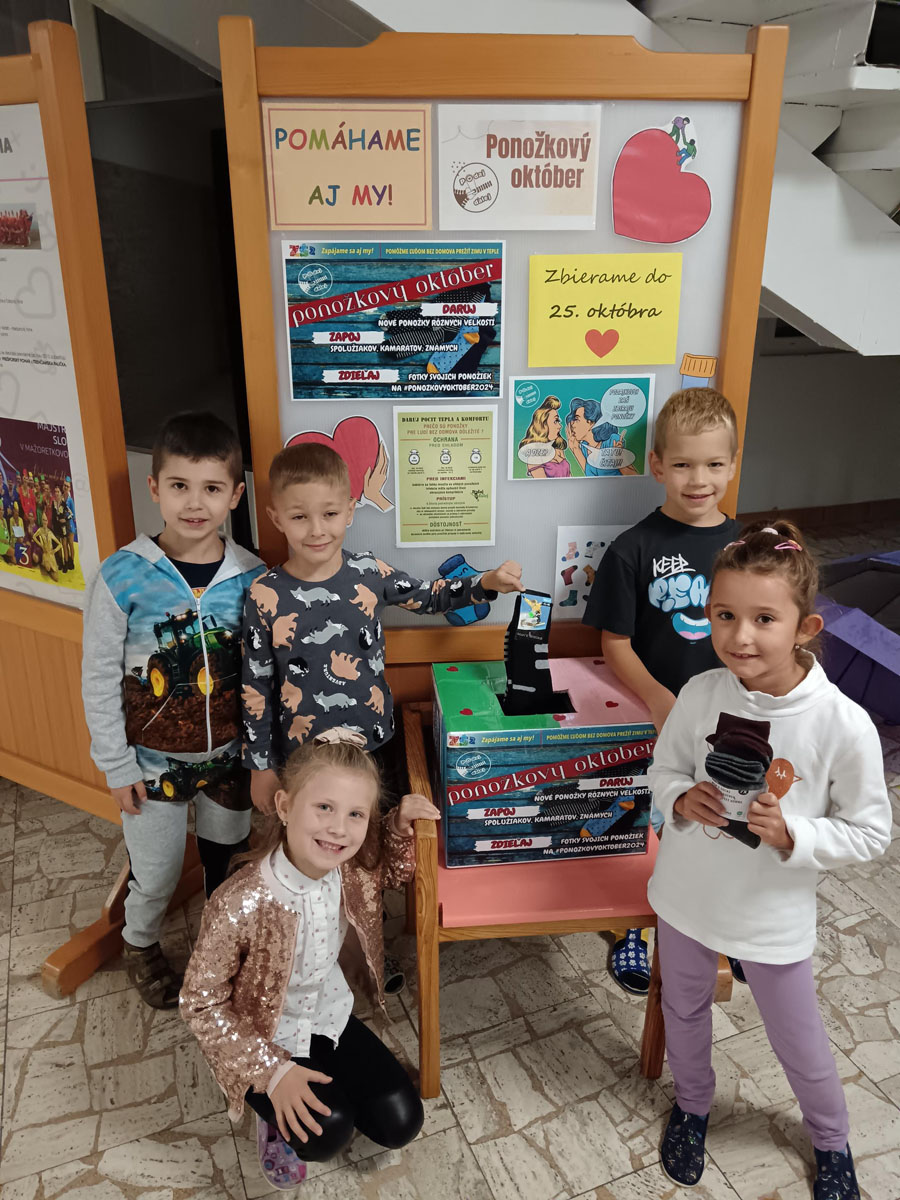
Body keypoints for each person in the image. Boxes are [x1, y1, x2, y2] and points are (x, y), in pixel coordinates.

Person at [647, 521, 890, 1197]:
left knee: (796, 1037)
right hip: (687, 896)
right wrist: (680, 797)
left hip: (770, 915)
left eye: (763, 619)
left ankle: (831, 1139)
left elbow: (871, 834)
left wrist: (795, 835)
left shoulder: (842, 724)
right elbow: (663, 770)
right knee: (684, 1010)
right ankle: (692, 1105)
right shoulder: (700, 693)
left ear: (805, 627)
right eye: (724, 615)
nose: (739, 636)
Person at [180, 738, 434, 1190]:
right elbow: (200, 1003)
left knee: (401, 1121)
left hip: (326, 1017)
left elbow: (390, 873)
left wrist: (397, 828)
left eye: (355, 814)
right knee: (327, 1130)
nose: (338, 829)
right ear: (284, 806)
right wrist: (271, 1072)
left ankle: (336, 1090)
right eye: (324, 807)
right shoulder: (239, 901)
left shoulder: (350, 867)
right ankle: (271, 1120)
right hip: (263, 1036)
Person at [82, 412, 264, 1009]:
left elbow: (262, 673)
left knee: (227, 861)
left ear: (234, 495)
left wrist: (263, 756)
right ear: (155, 487)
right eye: (180, 485)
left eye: (211, 488)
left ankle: (223, 943)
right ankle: (139, 942)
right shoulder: (122, 576)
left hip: (231, 761)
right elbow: (99, 678)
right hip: (150, 767)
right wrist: (116, 765)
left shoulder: (253, 576)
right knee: (156, 871)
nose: (195, 503)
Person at [243, 442, 524, 816]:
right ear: (276, 518)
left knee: (377, 833)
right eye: (299, 517)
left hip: (372, 742)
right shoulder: (263, 594)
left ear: (349, 511)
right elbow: (256, 685)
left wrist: (485, 582)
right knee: (317, 839)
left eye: (329, 513)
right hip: (301, 759)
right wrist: (259, 766)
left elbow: (430, 596)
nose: (316, 530)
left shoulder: (369, 572)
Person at [583, 387, 741, 994]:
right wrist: (657, 699)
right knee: (649, 824)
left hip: (731, 719)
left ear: (732, 464)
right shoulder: (632, 549)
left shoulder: (747, 551)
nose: (698, 479)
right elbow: (614, 643)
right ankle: (634, 926)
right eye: (682, 464)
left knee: (724, 819)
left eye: (714, 464)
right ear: (656, 465)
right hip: (661, 720)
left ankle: (726, 928)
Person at [564, 398, 637, 477]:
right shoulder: (584, 447)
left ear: (591, 422)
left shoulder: (612, 441)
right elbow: (591, 477)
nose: (572, 425)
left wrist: (619, 458)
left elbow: (633, 476)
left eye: (576, 419)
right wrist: (575, 449)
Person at [518, 394, 572, 478]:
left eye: (558, 421)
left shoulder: (558, 450)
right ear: (543, 425)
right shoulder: (534, 455)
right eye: (556, 421)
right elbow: (542, 483)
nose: (560, 426)